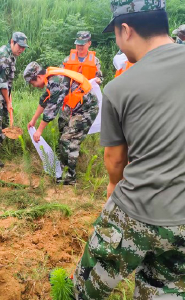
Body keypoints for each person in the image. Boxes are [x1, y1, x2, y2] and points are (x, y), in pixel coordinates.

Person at [72, 0, 185, 299]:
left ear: (126, 29)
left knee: (86, 286)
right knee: (166, 290)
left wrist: (112, 184)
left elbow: (115, 158)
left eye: (117, 35)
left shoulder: (119, 88)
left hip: (137, 211)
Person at [24, 62, 98, 185]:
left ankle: (70, 176)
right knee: (62, 126)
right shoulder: (50, 78)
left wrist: (39, 131)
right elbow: (44, 100)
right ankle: (66, 162)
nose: (34, 86)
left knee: (67, 139)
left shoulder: (55, 81)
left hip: (87, 108)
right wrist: (33, 119)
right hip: (75, 106)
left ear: (38, 77)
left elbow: (52, 109)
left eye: (33, 83)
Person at [0, 32, 29, 167]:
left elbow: (8, 83)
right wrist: (7, 102)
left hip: (1, 94)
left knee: (4, 124)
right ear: (12, 42)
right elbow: (2, 83)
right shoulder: (3, 55)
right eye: (20, 46)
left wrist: (9, 100)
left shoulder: (12, 56)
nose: (22, 50)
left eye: (24, 47)